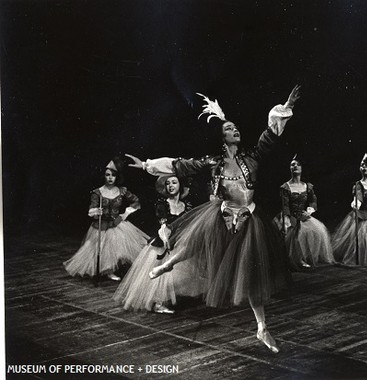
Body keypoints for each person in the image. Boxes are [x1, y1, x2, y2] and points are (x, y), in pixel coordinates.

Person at [125, 85, 300, 353]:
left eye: (236, 127)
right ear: (220, 136)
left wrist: (285, 107)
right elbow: (179, 165)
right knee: (197, 237)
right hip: (222, 213)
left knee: (251, 276)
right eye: (229, 128)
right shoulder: (212, 162)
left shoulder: (251, 157)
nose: (235, 130)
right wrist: (148, 165)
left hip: (248, 219)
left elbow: (270, 134)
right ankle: (167, 265)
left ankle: (262, 328)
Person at [113, 175, 198, 313]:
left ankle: (164, 300)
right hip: (162, 243)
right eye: (168, 183)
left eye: (174, 183)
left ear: (180, 186)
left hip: (179, 242)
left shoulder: (186, 205)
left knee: (177, 274)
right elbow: (163, 223)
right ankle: (158, 302)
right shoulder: (162, 203)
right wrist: (165, 236)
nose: (171, 186)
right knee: (161, 273)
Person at [64, 158, 149, 281]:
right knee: (99, 248)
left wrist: (126, 213)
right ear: (104, 176)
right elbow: (91, 209)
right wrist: (96, 212)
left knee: (116, 248)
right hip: (101, 225)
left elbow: (135, 201)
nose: (110, 178)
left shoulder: (121, 191)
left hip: (116, 223)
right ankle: (103, 271)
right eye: (107, 175)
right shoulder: (98, 192)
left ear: (117, 177)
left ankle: (110, 271)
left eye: (113, 175)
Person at [274, 156, 334, 268]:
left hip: (302, 214)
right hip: (289, 215)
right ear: (290, 168)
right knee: (294, 233)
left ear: (302, 168)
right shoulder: (285, 187)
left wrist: (309, 211)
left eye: (298, 164)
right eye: (292, 164)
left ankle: (304, 258)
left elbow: (313, 201)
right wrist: (286, 220)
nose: (295, 166)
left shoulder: (307, 186)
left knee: (317, 230)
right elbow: (285, 206)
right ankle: (296, 260)